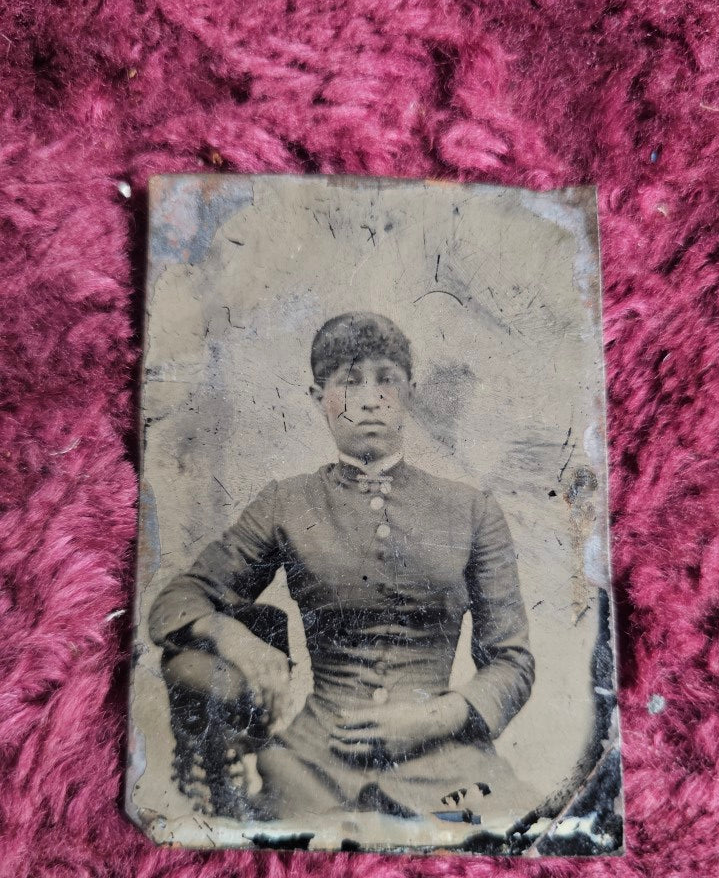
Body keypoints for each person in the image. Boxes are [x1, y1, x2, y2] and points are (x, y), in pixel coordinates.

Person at [148, 312, 535, 824]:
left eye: (386, 379)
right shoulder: (286, 503)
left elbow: (513, 661)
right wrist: (232, 636)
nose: (370, 397)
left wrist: (435, 717)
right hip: (311, 764)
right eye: (348, 381)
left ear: (409, 394)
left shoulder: (472, 510)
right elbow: (179, 599)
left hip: (446, 763)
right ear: (318, 398)